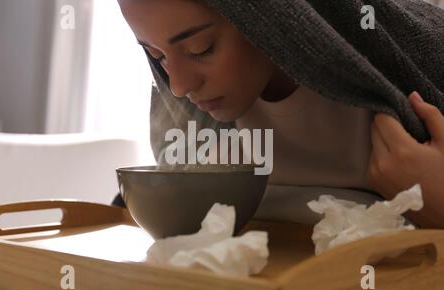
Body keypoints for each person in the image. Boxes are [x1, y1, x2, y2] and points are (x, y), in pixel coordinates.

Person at [115, 0, 444, 228]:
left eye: (201, 49)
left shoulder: (413, 65)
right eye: (156, 56)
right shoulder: (190, 127)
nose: (178, 86)